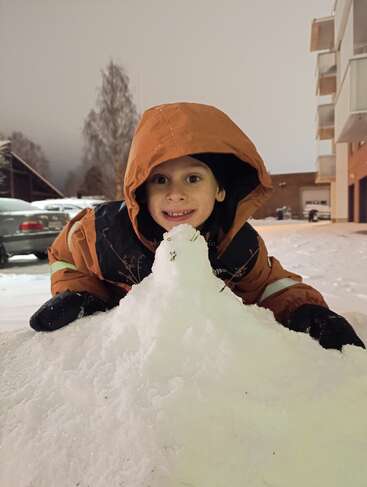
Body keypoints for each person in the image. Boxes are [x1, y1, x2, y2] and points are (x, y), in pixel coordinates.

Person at [30, 102, 364, 351]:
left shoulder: (237, 247)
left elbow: (269, 286)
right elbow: (65, 255)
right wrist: (81, 295)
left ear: (219, 190)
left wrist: (307, 311)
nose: (175, 194)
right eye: (160, 179)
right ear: (141, 191)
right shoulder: (105, 235)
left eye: (193, 178)